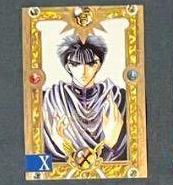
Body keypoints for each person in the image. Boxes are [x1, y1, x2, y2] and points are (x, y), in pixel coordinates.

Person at [42, 33, 126, 164]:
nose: (83, 71)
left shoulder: (119, 98)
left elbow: (133, 160)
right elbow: (33, 165)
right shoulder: (49, 99)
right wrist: (63, 147)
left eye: (91, 64)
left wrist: (110, 143)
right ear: (67, 66)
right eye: (75, 64)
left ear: (99, 65)